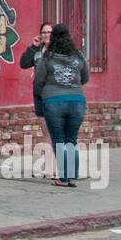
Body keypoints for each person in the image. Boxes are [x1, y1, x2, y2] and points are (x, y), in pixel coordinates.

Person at [33, 23, 90, 188]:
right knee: (71, 140)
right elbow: (85, 77)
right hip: (77, 101)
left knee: (59, 140)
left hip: (53, 102)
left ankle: (63, 179)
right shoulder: (78, 55)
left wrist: (43, 94)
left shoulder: (48, 57)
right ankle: (72, 178)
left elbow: (38, 81)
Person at [19, 22, 58, 178]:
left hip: (54, 95)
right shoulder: (38, 51)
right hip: (39, 95)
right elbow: (23, 63)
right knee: (46, 131)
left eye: (49, 32)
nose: (46, 35)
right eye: (44, 32)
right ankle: (48, 166)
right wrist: (33, 47)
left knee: (56, 131)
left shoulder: (58, 52)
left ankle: (59, 167)